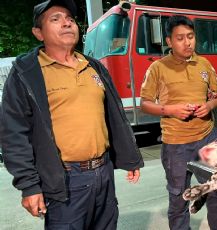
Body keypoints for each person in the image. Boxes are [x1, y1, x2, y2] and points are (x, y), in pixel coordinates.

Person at [0, 0, 144, 229]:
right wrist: (29, 186)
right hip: (65, 180)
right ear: (38, 33)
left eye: (69, 18)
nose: (67, 23)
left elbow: (113, 118)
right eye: (55, 19)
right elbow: (13, 134)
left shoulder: (94, 67)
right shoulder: (26, 73)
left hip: (103, 173)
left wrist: (129, 156)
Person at [140, 15, 217, 230]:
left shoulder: (204, 64)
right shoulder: (158, 68)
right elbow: (144, 104)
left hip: (208, 138)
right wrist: (169, 110)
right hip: (176, 145)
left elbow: (216, 97)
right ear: (169, 42)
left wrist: (208, 106)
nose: (187, 42)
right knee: (179, 197)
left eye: (190, 36)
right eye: (180, 38)